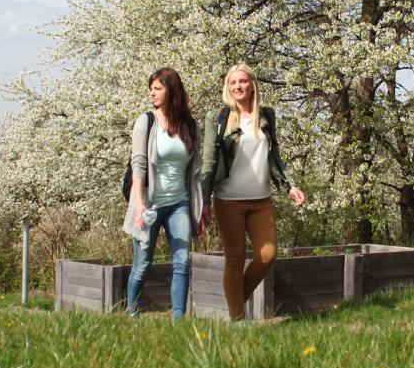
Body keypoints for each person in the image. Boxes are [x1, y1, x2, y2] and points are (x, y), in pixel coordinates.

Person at [198, 63, 305, 321]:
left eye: (243, 81)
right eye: (233, 82)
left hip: (261, 200)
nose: (238, 87)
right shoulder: (218, 118)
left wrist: (289, 186)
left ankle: (233, 306)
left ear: (252, 85)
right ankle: (237, 320)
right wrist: (204, 200)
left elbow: (273, 155)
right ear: (228, 87)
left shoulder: (266, 115)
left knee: (267, 255)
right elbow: (209, 161)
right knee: (234, 260)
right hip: (228, 200)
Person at [124, 67, 202, 319]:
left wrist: (201, 207)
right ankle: (132, 317)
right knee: (142, 265)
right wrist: (139, 205)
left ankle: (178, 321)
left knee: (182, 262)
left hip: (179, 203)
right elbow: (138, 165)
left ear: (171, 90)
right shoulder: (146, 122)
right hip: (150, 204)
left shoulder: (190, 126)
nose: (152, 93)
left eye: (157, 88)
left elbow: (196, 171)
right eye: (151, 89)